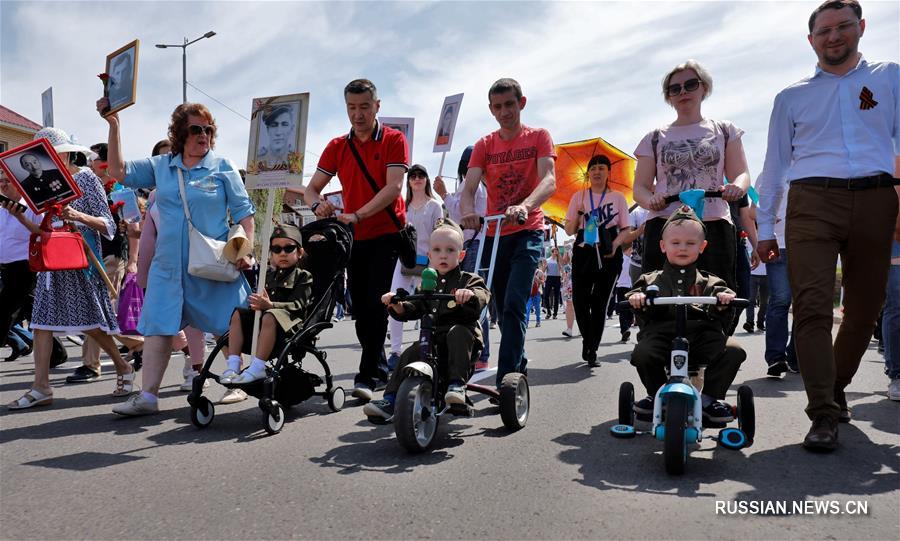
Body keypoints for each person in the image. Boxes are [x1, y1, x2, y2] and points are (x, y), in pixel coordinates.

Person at [755, 0, 898, 451]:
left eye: (843, 27)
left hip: (877, 199)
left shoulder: (890, 77)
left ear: (861, 28)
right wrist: (763, 227)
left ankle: (836, 387)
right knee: (812, 306)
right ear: (811, 39)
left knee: (863, 308)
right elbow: (774, 167)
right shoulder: (791, 96)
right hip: (812, 200)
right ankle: (822, 412)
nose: (834, 36)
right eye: (824, 30)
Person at [98, 98, 256, 416]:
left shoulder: (223, 166)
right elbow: (117, 171)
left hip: (213, 263)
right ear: (180, 132)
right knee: (158, 327)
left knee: (225, 324)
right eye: (196, 129)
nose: (204, 135)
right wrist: (114, 125)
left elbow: (245, 216)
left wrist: (244, 250)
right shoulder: (162, 167)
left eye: (208, 129)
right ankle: (148, 397)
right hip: (168, 267)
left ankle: (237, 381)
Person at [6, 128, 135, 409]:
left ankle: (123, 365)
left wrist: (76, 215)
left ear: (62, 154)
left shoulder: (86, 178)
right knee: (40, 322)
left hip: (81, 261)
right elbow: (44, 230)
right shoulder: (38, 185)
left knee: (91, 323)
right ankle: (41, 386)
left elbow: (108, 225)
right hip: (52, 264)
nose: (35, 165)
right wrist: (20, 217)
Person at [303, 79, 409, 401]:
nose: (358, 114)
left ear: (377, 106)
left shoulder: (393, 139)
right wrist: (316, 205)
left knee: (376, 301)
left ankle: (367, 374)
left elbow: (393, 189)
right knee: (360, 309)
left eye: (364, 107)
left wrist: (359, 213)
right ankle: (377, 364)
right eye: (352, 107)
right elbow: (311, 189)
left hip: (387, 233)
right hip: (353, 236)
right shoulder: (338, 145)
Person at [460, 78, 557, 388]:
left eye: (510, 105)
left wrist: (525, 206)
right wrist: (467, 212)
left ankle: (506, 382)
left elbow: (549, 181)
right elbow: (469, 187)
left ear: (521, 103)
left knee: (515, 304)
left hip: (528, 230)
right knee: (500, 309)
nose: (504, 112)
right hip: (494, 234)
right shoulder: (484, 145)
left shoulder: (539, 137)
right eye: (498, 106)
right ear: (491, 109)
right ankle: (519, 362)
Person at [632, 60, 752, 291]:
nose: (683, 92)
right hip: (666, 222)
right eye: (674, 88)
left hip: (713, 222)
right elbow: (640, 188)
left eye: (690, 84)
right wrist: (651, 200)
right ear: (668, 96)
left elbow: (741, 173)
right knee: (658, 292)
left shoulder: (725, 131)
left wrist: (737, 187)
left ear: (704, 88)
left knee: (719, 292)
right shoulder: (654, 137)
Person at [627, 206, 745, 424]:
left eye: (690, 243)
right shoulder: (650, 280)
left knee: (733, 350)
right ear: (663, 246)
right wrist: (637, 299)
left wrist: (724, 300)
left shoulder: (710, 281)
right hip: (661, 337)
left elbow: (722, 295)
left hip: (700, 338)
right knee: (643, 352)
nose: (683, 248)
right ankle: (655, 394)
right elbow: (635, 294)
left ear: (702, 247)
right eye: (675, 243)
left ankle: (709, 399)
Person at [363, 221, 490, 422]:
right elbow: (414, 308)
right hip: (433, 342)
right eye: (437, 250)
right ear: (429, 256)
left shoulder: (469, 279)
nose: (443, 255)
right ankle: (390, 399)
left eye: (450, 250)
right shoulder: (426, 283)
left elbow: (482, 295)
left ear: (461, 255)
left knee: (457, 331)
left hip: (464, 342)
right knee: (409, 353)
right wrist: (398, 304)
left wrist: (470, 294)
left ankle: (457, 384)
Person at [67, 142, 146, 384]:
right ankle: (138, 344)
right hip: (88, 257)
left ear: (106, 164)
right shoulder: (84, 187)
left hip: (112, 258)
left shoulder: (121, 190)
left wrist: (133, 261)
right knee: (98, 311)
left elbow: (134, 228)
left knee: (98, 310)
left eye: (93, 159)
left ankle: (91, 364)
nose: (88, 164)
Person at [563, 154, 632, 366]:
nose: (597, 172)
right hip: (584, 247)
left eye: (601, 168)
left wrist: (615, 245)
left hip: (609, 247)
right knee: (581, 300)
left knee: (600, 302)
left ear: (608, 172)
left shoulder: (618, 197)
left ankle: (592, 348)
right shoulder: (579, 196)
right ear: (588, 173)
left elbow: (626, 229)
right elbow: (569, 230)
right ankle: (588, 339)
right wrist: (579, 214)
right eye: (593, 169)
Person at [225, 224, 312, 384]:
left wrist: (270, 305)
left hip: (290, 325)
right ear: (271, 253)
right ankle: (233, 365)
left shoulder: (303, 276)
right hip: (265, 323)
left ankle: (258, 367)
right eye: (276, 249)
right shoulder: (267, 275)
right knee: (238, 314)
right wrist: (257, 304)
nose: (282, 253)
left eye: (289, 248)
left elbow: (298, 305)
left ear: (299, 252)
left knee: (270, 316)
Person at [386, 164, 443, 370]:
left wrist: (435, 260)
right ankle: (394, 351)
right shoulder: (402, 205)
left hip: (427, 261)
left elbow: (439, 234)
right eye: (413, 176)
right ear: (408, 181)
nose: (417, 178)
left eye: (421, 175)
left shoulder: (435, 206)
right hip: (404, 260)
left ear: (426, 180)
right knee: (394, 299)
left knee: (429, 303)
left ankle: (428, 346)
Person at [0, 169, 44, 362]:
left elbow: (43, 234)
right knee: (35, 313)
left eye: (7, 181)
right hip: (6, 267)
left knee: (3, 310)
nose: (2, 185)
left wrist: (21, 218)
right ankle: (57, 353)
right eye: (0, 181)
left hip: (26, 267)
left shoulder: (34, 207)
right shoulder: (1, 208)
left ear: (19, 184)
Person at [544, 246, 562, 318]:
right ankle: (548, 312)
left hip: (557, 278)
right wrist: (544, 266)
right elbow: (543, 270)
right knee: (546, 296)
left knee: (556, 296)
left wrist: (558, 261)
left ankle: (555, 314)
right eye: (555, 250)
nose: (556, 252)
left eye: (557, 250)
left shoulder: (559, 260)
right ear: (552, 252)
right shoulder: (547, 260)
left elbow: (561, 269)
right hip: (549, 278)